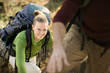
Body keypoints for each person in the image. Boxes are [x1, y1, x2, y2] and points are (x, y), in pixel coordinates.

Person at [47, 0, 110, 73]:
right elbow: (60, 18)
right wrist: (58, 47)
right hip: (80, 33)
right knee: (57, 66)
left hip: (105, 46)